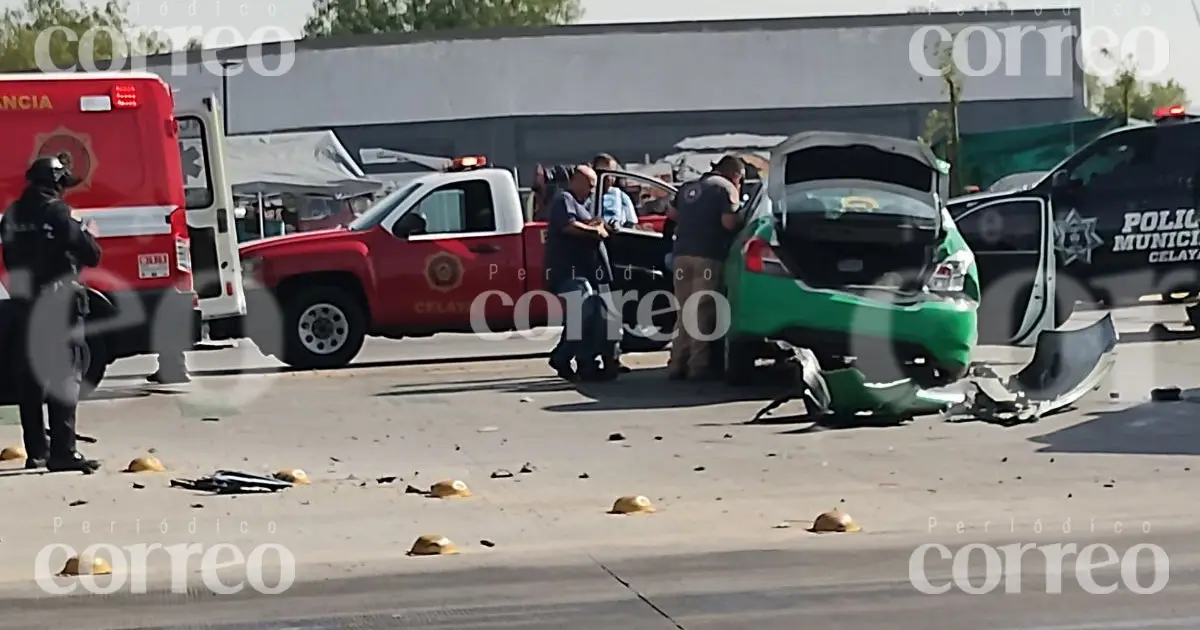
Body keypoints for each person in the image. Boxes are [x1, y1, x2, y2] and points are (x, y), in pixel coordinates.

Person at [0, 156, 102, 473]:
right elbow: (92, 255)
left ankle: (37, 451)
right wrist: (88, 232)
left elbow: (10, 258)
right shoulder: (58, 212)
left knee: (30, 381)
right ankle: (63, 452)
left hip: (22, 305)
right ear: (57, 183)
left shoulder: (12, 215)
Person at [666, 155, 745, 380]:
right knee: (701, 309)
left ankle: (676, 363)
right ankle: (697, 366)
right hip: (708, 256)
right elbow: (728, 223)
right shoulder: (725, 188)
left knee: (683, 309)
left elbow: (672, 214)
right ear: (736, 175)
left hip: (681, 255)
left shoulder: (688, 186)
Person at [543, 164, 618, 381]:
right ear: (576, 181)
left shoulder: (583, 204)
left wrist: (602, 226)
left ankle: (587, 363)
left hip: (585, 272)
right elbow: (569, 226)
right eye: (590, 185)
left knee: (593, 317)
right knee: (582, 314)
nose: (593, 191)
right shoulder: (564, 200)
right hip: (568, 272)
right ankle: (562, 355)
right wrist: (595, 230)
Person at [590, 154, 639, 227]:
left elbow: (632, 222)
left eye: (611, 173)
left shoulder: (620, 195)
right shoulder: (587, 194)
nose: (608, 178)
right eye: (600, 173)